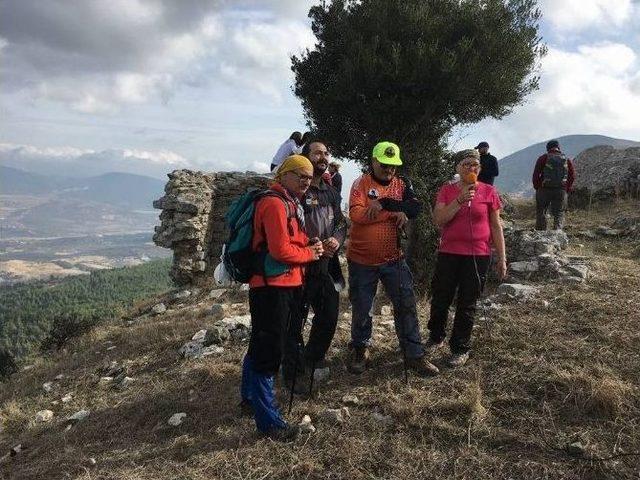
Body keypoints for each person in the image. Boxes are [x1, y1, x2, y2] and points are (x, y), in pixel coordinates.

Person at [239, 155, 324, 442]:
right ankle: (269, 423)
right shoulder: (275, 203)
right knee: (269, 351)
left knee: (260, 342)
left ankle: (249, 399)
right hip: (272, 287)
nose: (306, 179)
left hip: (282, 284)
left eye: (309, 176)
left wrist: (306, 243)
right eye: (300, 174)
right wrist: (310, 254)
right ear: (283, 175)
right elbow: (279, 251)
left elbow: (290, 242)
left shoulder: (290, 203)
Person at [346, 141, 439, 376]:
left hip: (393, 258)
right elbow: (356, 214)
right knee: (362, 307)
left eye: (393, 165)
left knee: (406, 304)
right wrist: (393, 213)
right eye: (385, 164)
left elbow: (415, 209)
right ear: (374, 161)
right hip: (361, 259)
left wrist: (387, 207)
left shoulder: (402, 183)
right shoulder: (361, 183)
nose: (389, 170)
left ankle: (413, 354)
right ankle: (360, 348)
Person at [428, 149, 507, 367]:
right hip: (449, 253)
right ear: (457, 168)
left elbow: (495, 225)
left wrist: (502, 257)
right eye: (467, 164)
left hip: (478, 255)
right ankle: (435, 336)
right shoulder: (447, 190)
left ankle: (460, 347)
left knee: (467, 302)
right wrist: (459, 201)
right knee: (441, 296)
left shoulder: (489, 191)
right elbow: (439, 220)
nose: (472, 168)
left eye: (476, 165)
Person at [283, 140, 347, 392]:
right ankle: (293, 369)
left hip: (328, 263)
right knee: (295, 316)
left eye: (326, 153)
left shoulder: (331, 192)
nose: (323, 156)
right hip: (301, 263)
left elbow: (342, 223)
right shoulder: (297, 191)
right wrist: (309, 243)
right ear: (305, 157)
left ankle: (313, 357)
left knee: (329, 313)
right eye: (317, 152)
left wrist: (337, 240)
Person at [532, 139, 575, 230]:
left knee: (542, 211)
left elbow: (536, 174)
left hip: (544, 189)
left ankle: (541, 234)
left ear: (548, 148)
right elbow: (572, 175)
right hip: (560, 190)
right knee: (559, 213)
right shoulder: (566, 159)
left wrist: (537, 187)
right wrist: (567, 188)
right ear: (558, 147)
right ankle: (558, 234)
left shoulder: (543, 158)